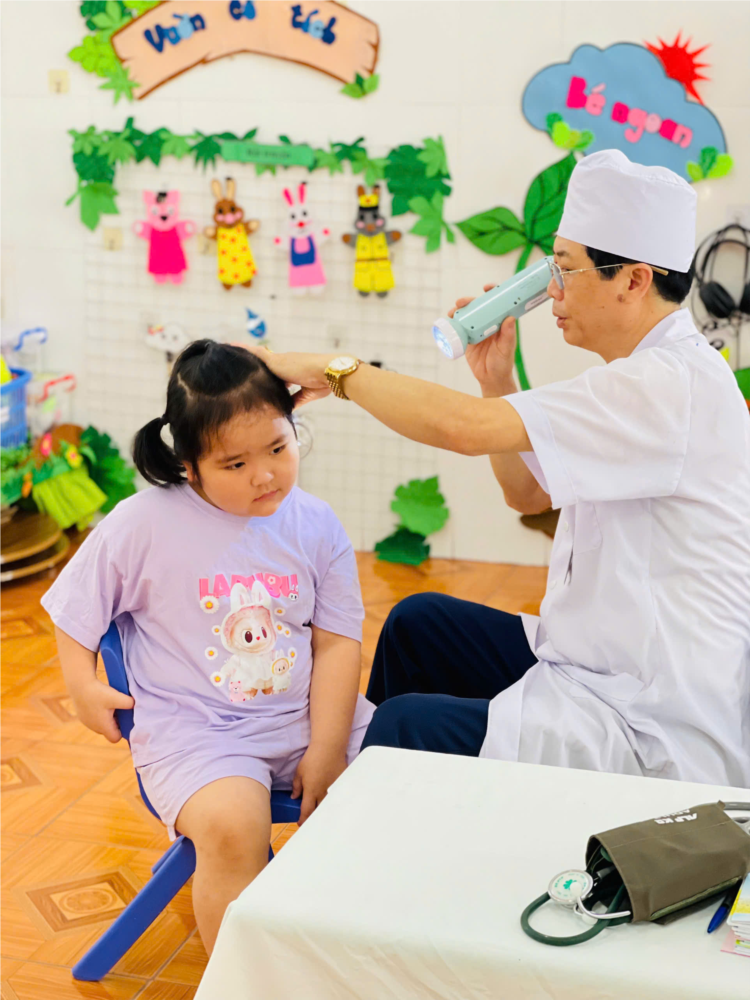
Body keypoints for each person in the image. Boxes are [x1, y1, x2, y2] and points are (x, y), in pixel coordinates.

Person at [247, 150, 750, 789]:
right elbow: (527, 495)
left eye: (566, 269)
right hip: (597, 658)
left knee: (405, 727)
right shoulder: (641, 377)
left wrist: (335, 370)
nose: (554, 292)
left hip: (650, 715)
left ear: (633, 280)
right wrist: (495, 380)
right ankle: (370, 808)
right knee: (417, 627)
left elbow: (460, 429)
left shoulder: (667, 386)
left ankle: (374, 827)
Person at [41, 341, 374, 953]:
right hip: (198, 736)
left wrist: (327, 748)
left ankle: (355, 953)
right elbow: (75, 606)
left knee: (401, 779)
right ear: (189, 466)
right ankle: (242, 979)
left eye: (278, 448)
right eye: (235, 463)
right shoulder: (142, 523)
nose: (265, 474)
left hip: (309, 720)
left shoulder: (316, 523)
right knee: (232, 826)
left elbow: (335, 644)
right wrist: (82, 685)